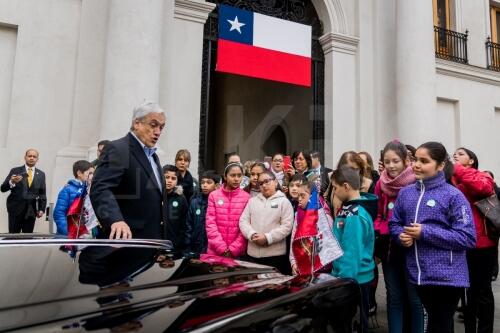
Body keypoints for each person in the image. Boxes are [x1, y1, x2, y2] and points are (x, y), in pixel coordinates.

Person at [390, 142, 476, 333]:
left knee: (441, 325)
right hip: (418, 275)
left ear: (440, 165)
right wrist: (401, 236)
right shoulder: (406, 193)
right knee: (435, 325)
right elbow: (394, 224)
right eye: (415, 160)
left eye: (424, 161)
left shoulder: (454, 196)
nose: (416, 165)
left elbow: (468, 237)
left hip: (448, 277)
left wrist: (425, 233)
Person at [89, 101, 166, 240]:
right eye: (153, 125)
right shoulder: (118, 149)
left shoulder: (153, 157)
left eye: (161, 127)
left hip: (150, 243)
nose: (158, 132)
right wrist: (114, 220)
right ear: (137, 123)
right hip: (124, 242)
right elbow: (101, 189)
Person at [374, 141, 423, 333]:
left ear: (406, 161)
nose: (391, 165)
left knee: (414, 299)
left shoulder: (417, 181)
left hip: (413, 245)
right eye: (387, 161)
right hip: (390, 247)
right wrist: (383, 228)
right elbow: (378, 215)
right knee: (394, 297)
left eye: (395, 161)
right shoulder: (381, 183)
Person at [452, 147, 496, 333]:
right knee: (466, 291)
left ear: (471, 161)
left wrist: (458, 169)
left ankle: (485, 330)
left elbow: (483, 188)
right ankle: (470, 328)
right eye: (454, 154)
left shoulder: (483, 176)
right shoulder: (451, 179)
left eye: (461, 154)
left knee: (482, 291)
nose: (456, 156)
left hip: (483, 244)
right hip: (460, 242)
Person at [330, 166, 377, 332]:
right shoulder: (348, 209)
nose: (334, 192)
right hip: (350, 276)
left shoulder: (354, 214)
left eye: (335, 188)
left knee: (353, 324)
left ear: (346, 186)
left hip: (354, 279)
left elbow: (352, 251)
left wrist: (344, 280)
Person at [239, 170, 294, 274]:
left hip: (275, 256)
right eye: (260, 183)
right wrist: (252, 234)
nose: (264, 185)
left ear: (276, 182)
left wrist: (268, 238)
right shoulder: (252, 201)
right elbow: (243, 221)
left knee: (273, 287)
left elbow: (287, 226)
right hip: (252, 255)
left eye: (267, 181)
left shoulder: (284, 201)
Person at [290, 180, 341, 276]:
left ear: (312, 196)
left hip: (322, 267)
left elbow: (329, 242)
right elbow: (294, 239)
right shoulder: (298, 214)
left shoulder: (324, 217)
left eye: (303, 196)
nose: (299, 199)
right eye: (298, 196)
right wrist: (293, 262)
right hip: (302, 265)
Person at [205, 162, 250, 258]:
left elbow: (246, 227)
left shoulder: (246, 197)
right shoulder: (214, 195)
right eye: (233, 175)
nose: (236, 179)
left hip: (238, 253)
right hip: (215, 251)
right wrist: (222, 248)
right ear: (225, 176)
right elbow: (210, 224)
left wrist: (233, 249)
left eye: (239, 175)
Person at [1, 149, 46, 233]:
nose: (32, 158)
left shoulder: (41, 174)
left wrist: (41, 209)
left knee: (27, 238)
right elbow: (3, 188)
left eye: (34, 156)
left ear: (37, 159)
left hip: (31, 211)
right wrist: (12, 182)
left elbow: (42, 193)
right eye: (29, 156)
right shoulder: (15, 171)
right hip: (15, 209)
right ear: (25, 157)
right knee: (13, 237)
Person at [53, 160, 94, 236]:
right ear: (79, 173)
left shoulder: (91, 189)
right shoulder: (67, 189)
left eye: (93, 173)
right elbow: (59, 213)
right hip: (71, 234)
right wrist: (68, 232)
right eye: (90, 173)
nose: (92, 176)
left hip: (88, 233)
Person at [185, 170, 221, 255]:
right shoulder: (195, 202)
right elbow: (188, 226)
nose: (204, 185)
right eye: (203, 182)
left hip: (212, 248)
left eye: (209, 183)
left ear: (216, 186)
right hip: (195, 247)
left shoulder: (219, 203)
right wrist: (188, 245)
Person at [162, 164, 188, 257]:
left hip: (174, 246)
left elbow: (184, 224)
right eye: (166, 177)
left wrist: (177, 243)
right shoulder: (155, 196)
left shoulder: (181, 199)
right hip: (156, 244)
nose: (169, 181)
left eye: (173, 178)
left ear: (177, 181)